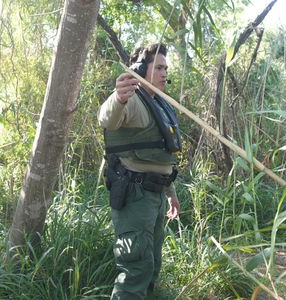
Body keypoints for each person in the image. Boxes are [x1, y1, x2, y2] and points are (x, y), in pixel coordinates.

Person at [98, 43, 182, 299]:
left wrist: (171, 193)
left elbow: (159, 156)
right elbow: (106, 118)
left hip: (156, 197)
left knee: (151, 265)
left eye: (166, 68)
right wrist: (119, 96)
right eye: (158, 67)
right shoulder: (132, 100)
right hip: (135, 197)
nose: (164, 73)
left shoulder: (160, 105)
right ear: (139, 69)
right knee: (135, 269)